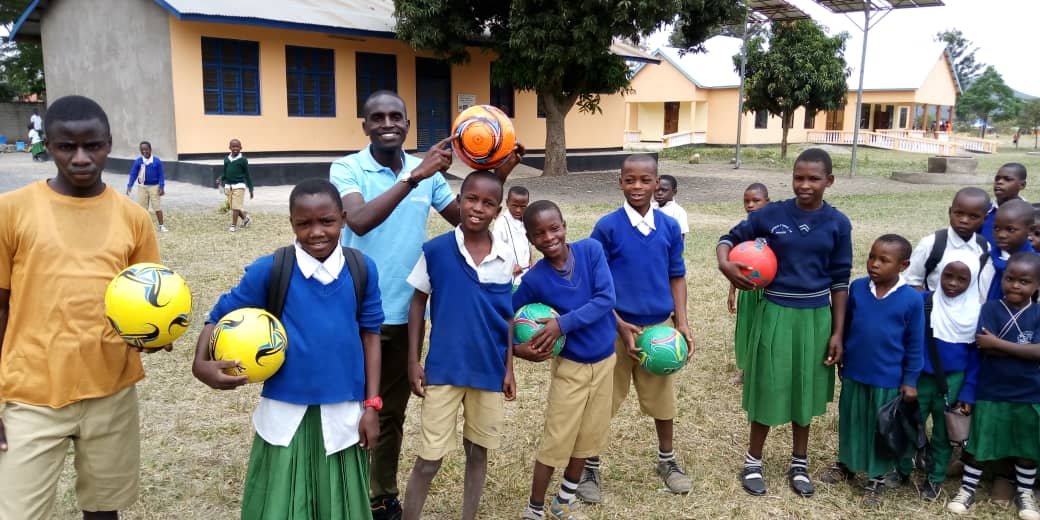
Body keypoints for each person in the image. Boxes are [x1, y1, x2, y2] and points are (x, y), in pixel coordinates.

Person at [329, 90, 522, 520]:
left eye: (395, 116)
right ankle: (341, 492)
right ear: (365, 125)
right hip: (355, 312)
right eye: (377, 117)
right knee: (345, 406)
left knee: (389, 413)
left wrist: (499, 173)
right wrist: (414, 176)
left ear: (407, 124)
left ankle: (381, 495)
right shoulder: (348, 168)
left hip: (402, 314)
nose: (387, 123)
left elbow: (468, 218)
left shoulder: (429, 175)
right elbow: (357, 221)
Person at [0, 95, 166, 519]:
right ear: (48, 146)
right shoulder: (11, 210)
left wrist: (155, 334)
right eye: (66, 146)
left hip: (111, 390)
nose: (80, 158)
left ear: (108, 143)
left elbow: (149, 300)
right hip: (31, 394)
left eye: (92, 145)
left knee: (104, 509)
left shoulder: (134, 218)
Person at [192, 178, 384, 520]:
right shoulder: (272, 269)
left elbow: (371, 336)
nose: (316, 232)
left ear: (342, 218)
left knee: (339, 504)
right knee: (281, 503)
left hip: (344, 414)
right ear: (292, 223)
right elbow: (219, 315)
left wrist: (372, 405)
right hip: (284, 414)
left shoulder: (362, 269)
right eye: (304, 223)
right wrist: (199, 363)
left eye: (327, 221)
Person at [717, 148, 852, 498]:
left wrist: (838, 332)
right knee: (768, 384)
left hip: (816, 318)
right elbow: (729, 239)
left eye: (813, 179)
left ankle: (799, 463)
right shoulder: (771, 214)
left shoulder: (838, 223)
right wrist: (725, 264)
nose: (805, 185)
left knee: (803, 390)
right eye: (798, 177)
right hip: (776, 312)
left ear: (829, 181)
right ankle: (753, 461)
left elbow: (840, 281)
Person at [401, 171, 516, 520]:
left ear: (498, 211)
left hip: (488, 370)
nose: (478, 208)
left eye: (488, 203)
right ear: (459, 200)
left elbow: (507, 317)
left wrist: (509, 369)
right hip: (444, 369)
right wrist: (413, 360)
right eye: (471, 199)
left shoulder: (505, 255)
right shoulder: (436, 250)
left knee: (478, 451)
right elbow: (417, 303)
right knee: (429, 458)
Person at [580, 154, 693, 502]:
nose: (638, 186)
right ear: (620, 183)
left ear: (658, 183)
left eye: (646, 180)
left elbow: (677, 276)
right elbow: (595, 283)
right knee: (602, 399)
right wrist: (617, 323)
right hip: (613, 327)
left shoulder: (669, 227)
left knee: (663, 399)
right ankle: (589, 466)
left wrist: (682, 321)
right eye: (630, 180)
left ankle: (667, 460)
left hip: (658, 329)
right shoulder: (608, 227)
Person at [513, 200, 617, 520]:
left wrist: (562, 324)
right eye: (539, 233)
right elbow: (503, 314)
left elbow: (606, 299)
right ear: (530, 239)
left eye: (554, 228)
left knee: (588, 437)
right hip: (570, 368)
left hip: (606, 363)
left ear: (564, 226)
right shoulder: (534, 279)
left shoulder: (591, 251)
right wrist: (517, 349)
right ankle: (534, 509)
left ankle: (563, 501)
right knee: (556, 439)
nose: (549, 237)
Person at [818, 234, 924, 507]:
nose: (874, 264)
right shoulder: (858, 288)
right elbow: (847, 326)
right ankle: (847, 464)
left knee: (881, 429)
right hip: (855, 372)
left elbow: (915, 344)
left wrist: (910, 380)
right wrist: (842, 355)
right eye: (872, 257)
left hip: (887, 379)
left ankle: (877, 477)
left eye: (883, 260)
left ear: (903, 265)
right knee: (852, 420)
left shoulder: (912, 300)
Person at [947, 252, 1040, 520]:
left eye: (1024, 281)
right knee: (980, 443)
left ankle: (1025, 492)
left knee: (1027, 447)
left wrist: (998, 344)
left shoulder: (1037, 313)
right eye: (1010, 279)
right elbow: (983, 347)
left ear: (1037, 285)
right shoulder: (990, 308)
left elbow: (1036, 353)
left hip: (1029, 393)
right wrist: (1022, 351)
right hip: (991, 390)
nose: (1015, 285)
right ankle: (967, 489)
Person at [895, 250, 982, 501]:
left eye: (962, 279)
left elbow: (976, 359)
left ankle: (934, 479)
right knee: (909, 425)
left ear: (973, 281)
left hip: (953, 382)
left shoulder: (976, 313)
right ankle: (902, 470)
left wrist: (967, 394)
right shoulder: (924, 301)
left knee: (944, 433)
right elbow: (908, 339)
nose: (953, 283)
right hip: (920, 378)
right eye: (948, 276)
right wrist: (907, 377)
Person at [905, 187, 990, 293]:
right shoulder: (931, 244)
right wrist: (932, 299)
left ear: (985, 219)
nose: (964, 220)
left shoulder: (984, 246)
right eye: (959, 213)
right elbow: (911, 282)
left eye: (973, 217)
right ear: (950, 212)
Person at [727, 182, 770, 385]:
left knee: (766, 330)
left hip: (768, 290)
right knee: (746, 328)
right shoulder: (743, 231)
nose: (750, 205)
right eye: (747, 201)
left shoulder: (775, 229)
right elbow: (735, 263)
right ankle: (746, 370)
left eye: (756, 200)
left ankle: (764, 370)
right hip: (747, 289)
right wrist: (732, 290)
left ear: (767, 202)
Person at [980, 199, 1036, 302]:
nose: (1001, 235)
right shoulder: (985, 260)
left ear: (1029, 230)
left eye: (1010, 230)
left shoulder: (1035, 265)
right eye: (996, 228)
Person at [493, 185, 532, 288]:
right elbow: (495, 248)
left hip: (526, 271)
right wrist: (510, 265)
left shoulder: (526, 221)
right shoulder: (501, 223)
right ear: (507, 203)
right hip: (511, 274)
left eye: (523, 207)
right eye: (514, 206)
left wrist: (530, 259)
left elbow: (526, 244)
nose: (518, 210)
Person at [980, 163, 1028, 248]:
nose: (999, 182)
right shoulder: (984, 211)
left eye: (1007, 179)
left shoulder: (1030, 213)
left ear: (1022, 185)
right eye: (997, 179)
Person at [126, 141, 167, 232]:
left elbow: (161, 175)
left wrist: (161, 186)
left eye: (146, 149)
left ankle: (161, 225)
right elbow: (133, 174)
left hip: (154, 186)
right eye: (142, 150)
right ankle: (142, 226)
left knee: (157, 207)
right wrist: (130, 185)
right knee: (142, 208)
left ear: (150, 149)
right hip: (142, 187)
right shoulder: (138, 161)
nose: (144, 151)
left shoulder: (156, 161)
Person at [217, 138, 253, 232]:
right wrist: (220, 178)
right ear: (229, 147)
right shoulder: (226, 159)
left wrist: (251, 189)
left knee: (236, 207)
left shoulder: (243, 160)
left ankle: (233, 225)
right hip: (228, 187)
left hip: (239, 186)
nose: (235, 148)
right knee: (233, 207)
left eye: (237, 146)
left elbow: (247, 174)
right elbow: (225, 173)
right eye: (233, 146)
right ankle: (245, 218)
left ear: (241, 148)